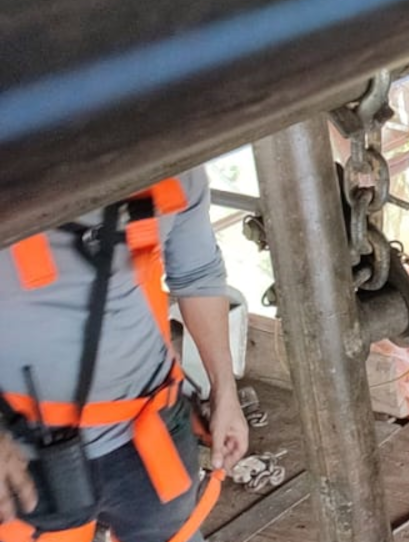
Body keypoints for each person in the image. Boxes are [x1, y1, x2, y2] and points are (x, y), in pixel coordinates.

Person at [2, 171, 249, 542]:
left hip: (151, 440)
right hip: (22, 461)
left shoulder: (176, 150)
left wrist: (224, 392)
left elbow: (198, 275)